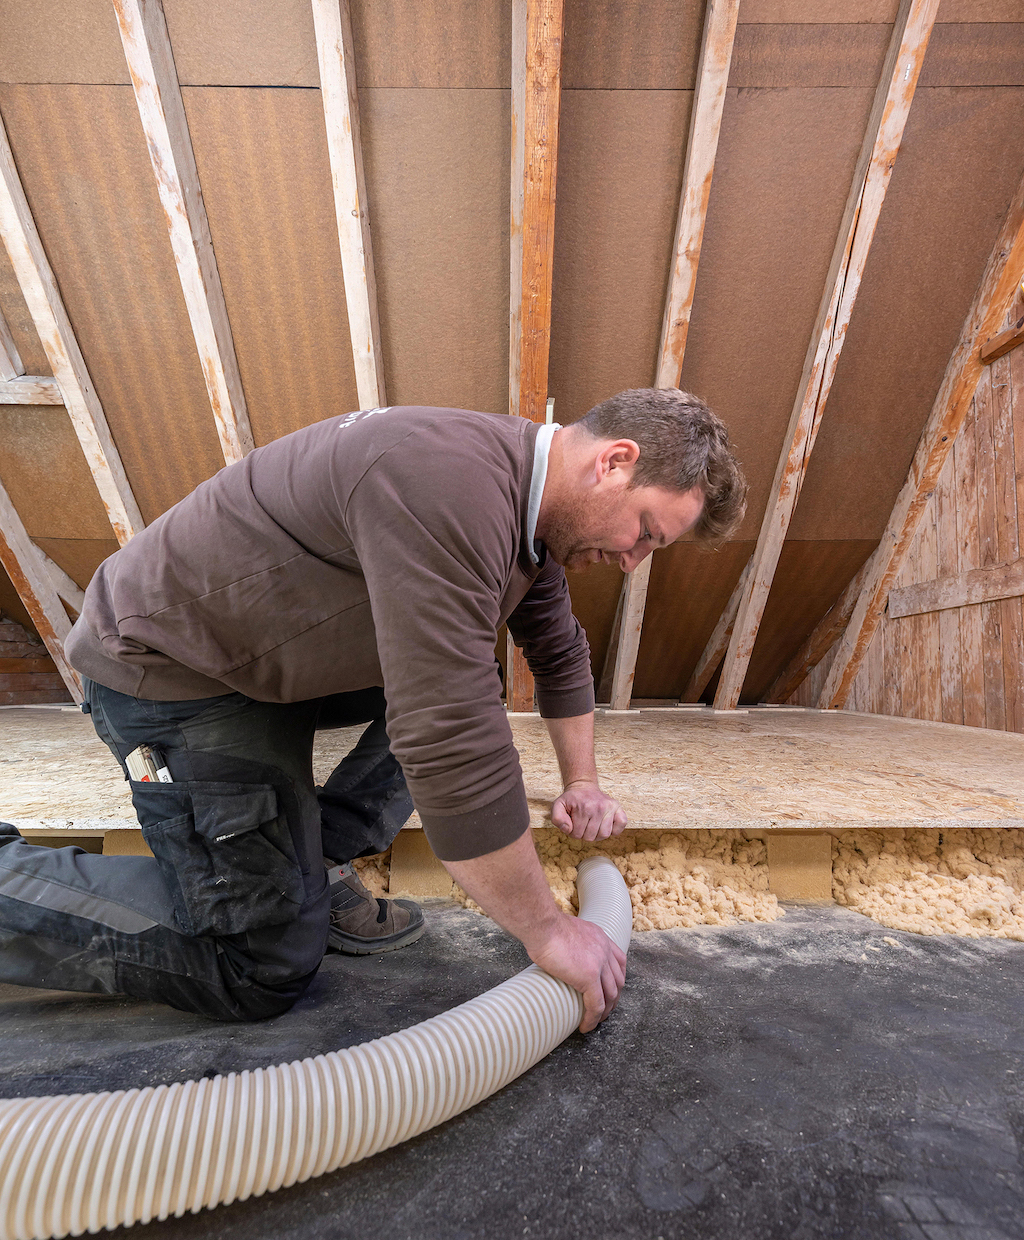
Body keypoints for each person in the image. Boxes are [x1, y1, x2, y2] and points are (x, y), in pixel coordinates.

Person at [0, 389, 745, 1031]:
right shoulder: (447, 484)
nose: (631, 558)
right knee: (260, 964)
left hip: (256, 661)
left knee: (464, 678)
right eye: (645, 531)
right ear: (614, 462)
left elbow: (557, 651)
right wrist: (548, 933)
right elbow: (446, 737)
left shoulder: (527, 518)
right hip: (167, 672)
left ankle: (310, 860)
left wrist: (582, 781)